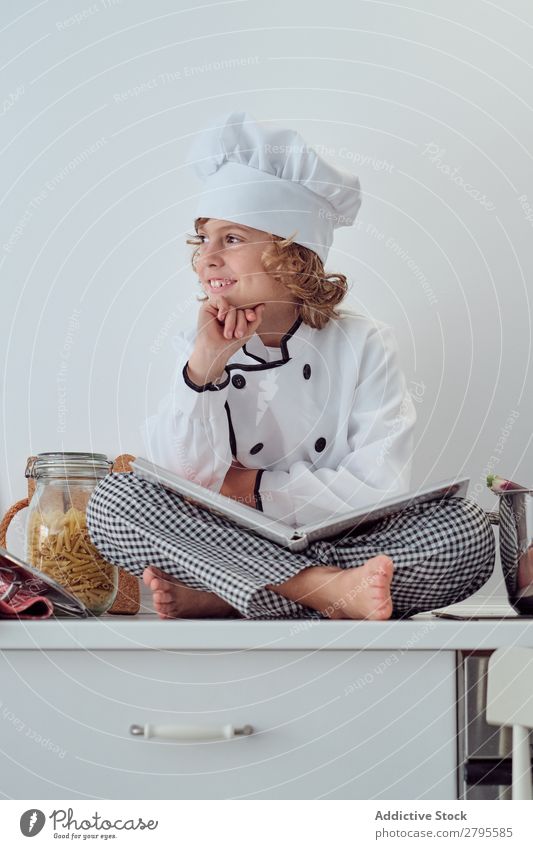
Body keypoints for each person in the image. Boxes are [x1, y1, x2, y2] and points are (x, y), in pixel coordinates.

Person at [86, 111, 495, 620]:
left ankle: (229, 594)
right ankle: (323, 590)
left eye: (231, 239)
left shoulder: (364, 344)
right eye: (203, 240)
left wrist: (251, 488)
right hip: (222, 538)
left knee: (467, 531)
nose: (206, 258)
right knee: (114, 503)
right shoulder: (194, 344)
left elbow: (379, 484)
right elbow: (179, 482)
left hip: (332, 538)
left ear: (291, 254)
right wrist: (204, 372)